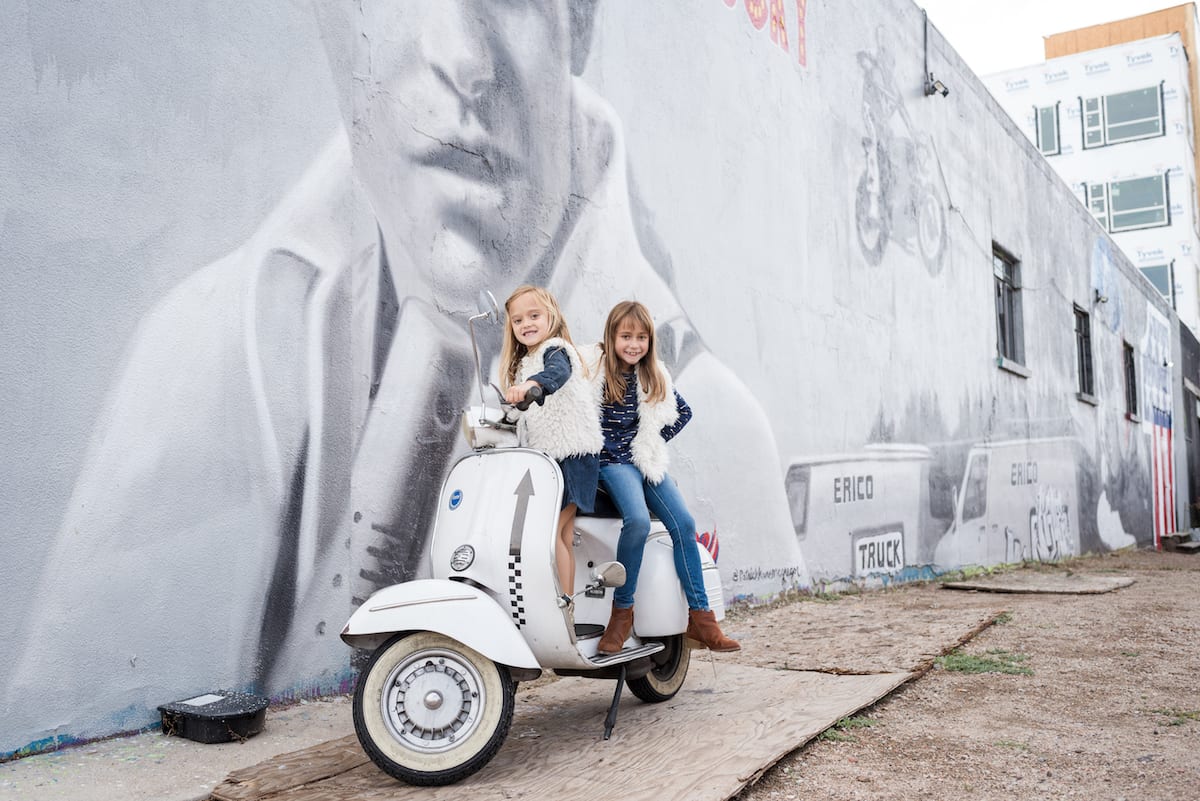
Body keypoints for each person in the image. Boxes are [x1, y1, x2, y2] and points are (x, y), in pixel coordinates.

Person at [6, 0, 806, 752]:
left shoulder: (704, 411)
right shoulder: (204, 352)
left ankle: (664, 615)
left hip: (605, 463)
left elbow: (582, 384)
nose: (463, 59)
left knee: (638, 519)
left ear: (579, 26)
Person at [594, 301, 740, 655]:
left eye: (641, 337)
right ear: (612, 338)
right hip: (612, 462)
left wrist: (650, 440)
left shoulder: (653, 374)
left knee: (684, 524)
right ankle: (622, 615)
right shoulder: (597, 372)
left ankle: (702, 620)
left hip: (646, 459)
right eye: (626, 336)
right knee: (639, 521)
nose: (633, 344)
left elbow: (682, 412)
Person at [499, 285, 602, 604]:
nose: (526, 324)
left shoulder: (555, 349)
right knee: (562, 534)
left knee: (552, 532)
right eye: (518, 320)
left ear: (551, 317)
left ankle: (561, 602)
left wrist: (532, 385)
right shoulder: (524, 361)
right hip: (553, 456)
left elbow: (556, 374)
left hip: (574, 453)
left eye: (534, 316)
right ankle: (565, 604)